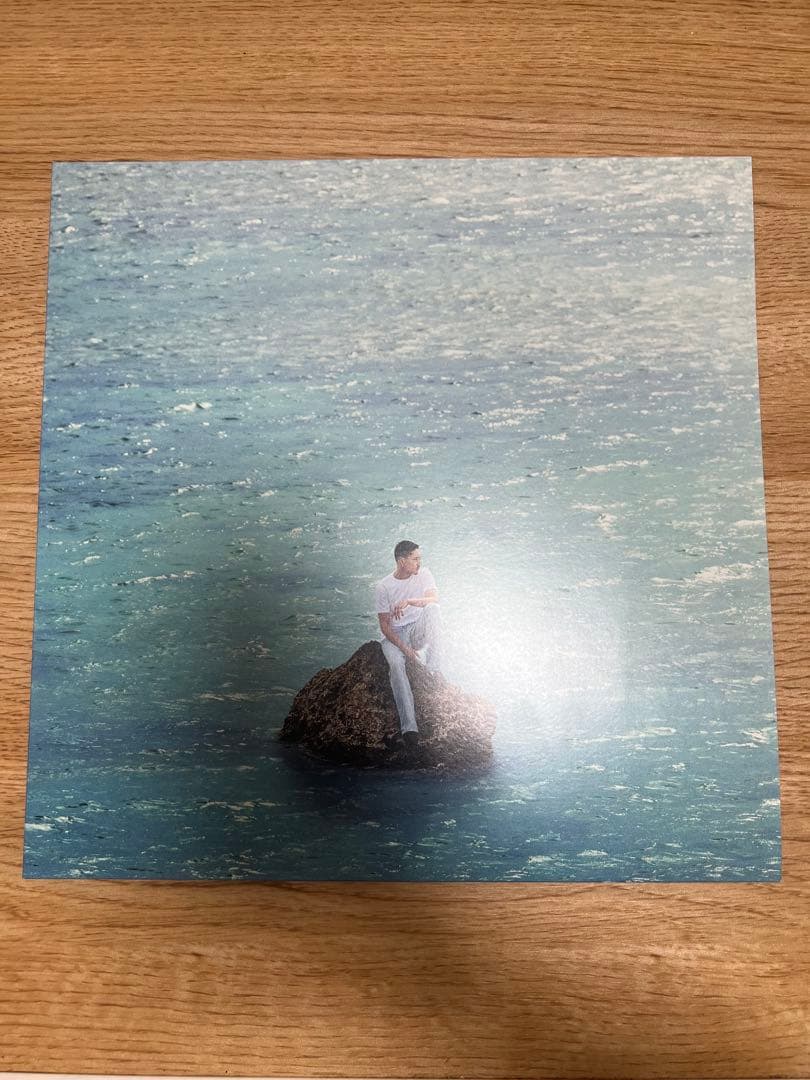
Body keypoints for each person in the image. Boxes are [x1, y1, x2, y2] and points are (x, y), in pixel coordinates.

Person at [374, 540, 444, 747]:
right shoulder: (383, 586)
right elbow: (384, 626)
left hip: (416, 630)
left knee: (433, 610)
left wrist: (409, 601)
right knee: (396, 665)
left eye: (420, 558)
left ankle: (433, 670)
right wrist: (406, 650)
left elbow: (434, 599)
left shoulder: (423, 574)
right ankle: (409, 728)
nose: (419, 563)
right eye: (415, 559)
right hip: (394, 636)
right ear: (402, 561)